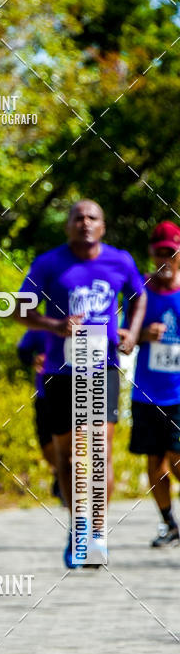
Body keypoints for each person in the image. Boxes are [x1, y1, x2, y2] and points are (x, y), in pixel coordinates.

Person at [14, 200, 146, 568]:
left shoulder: (120, 261)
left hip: (102, 369)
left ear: (103, 226)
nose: (85, 223)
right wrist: (56, 326)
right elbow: (19, 310)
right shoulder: (49, 263)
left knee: (100, 452)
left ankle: (99, 533)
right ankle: (79, 527)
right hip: (60, 373)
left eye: (92, 218)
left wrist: (132, 333)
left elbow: (139, 298)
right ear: (68, 225)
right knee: (70, 459)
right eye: (78, 218)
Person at [130, 221, 180, 547]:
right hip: (146, 393)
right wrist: (143, 335)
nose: (165, 258)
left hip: (178, 394)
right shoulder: (140, 290)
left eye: (171, 252)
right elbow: (124, 335)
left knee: (177, 459)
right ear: (152, 251)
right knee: (154, 462)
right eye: (160, 251)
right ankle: (169, 524)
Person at [16, 329, 61, 500]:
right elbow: (22, 351)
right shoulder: (40, 326)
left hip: (73, 393)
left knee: (71, 440)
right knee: (46, 441)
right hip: (44, 394)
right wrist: (34, 359)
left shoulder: (84, 320)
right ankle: (59, 471)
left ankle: (72, 482)